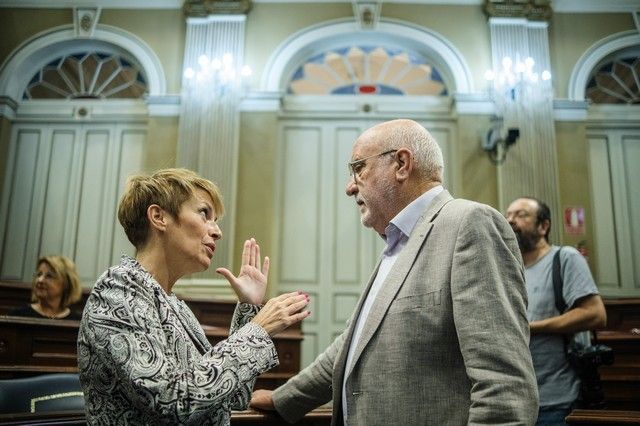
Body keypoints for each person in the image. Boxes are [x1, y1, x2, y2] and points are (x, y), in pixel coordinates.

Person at [251, 119, 538, 425]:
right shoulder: (398, 242)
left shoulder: (469, 223)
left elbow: (505, 389)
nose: (350, 187)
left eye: (359, 168)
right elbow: (351, 346)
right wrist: (285, 398)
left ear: (402, 164)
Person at [77, 168, 310, 425]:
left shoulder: (175, 305)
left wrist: (249, 308)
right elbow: (170, 400)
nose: (217, 231)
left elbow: (232, 398)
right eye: (204, 214)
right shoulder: (117, 289)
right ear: (159, 217)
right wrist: (258, 330)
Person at [505, 197, 607, 425]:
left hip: (556, 399)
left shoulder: (565, 258)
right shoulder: (507, 268)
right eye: (508, 215)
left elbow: (595, 314)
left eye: (521, 215)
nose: (510, 220)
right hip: (514, 399)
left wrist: (531, 327)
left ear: (544, 226)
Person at [9, 255, 82, 320]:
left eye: (49, 276)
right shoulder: (18, 315)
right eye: (39, 274)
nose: (40, 280)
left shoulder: (77, 321)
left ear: (66, 284)